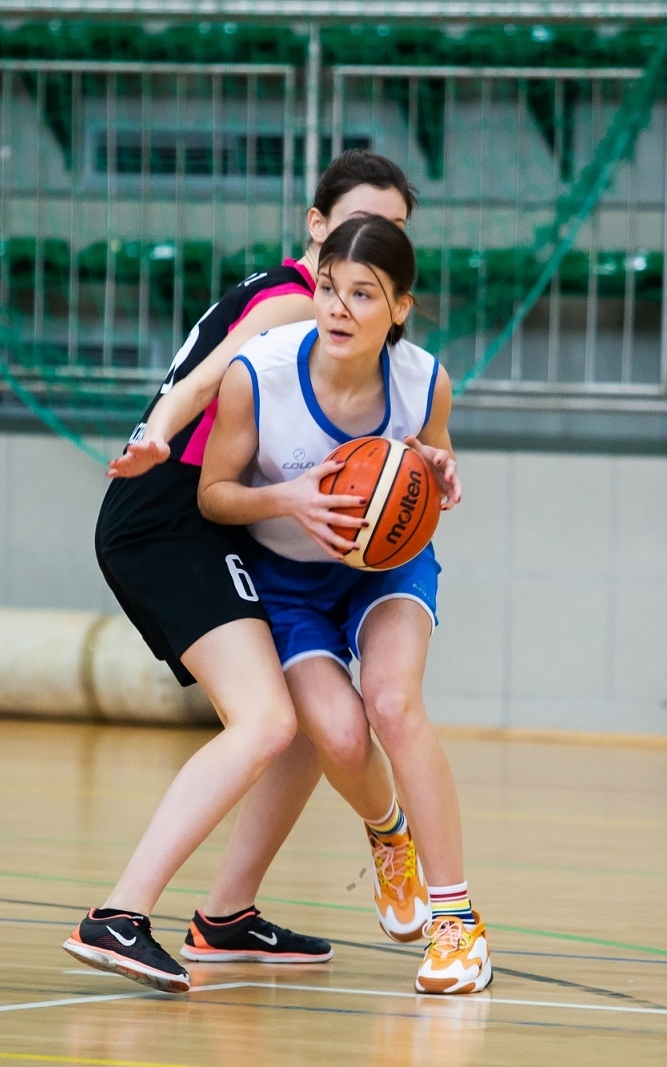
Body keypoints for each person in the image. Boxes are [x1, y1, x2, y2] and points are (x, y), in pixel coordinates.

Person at [65, 152, 430, 993]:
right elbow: (212, 371)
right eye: (359, 222)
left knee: (301, 714)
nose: (376, 238)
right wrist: (156, 433)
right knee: (265, 719)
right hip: (173, 515)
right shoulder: (300, 301)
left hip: (197, 512)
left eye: (396, 229)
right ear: (317, 226)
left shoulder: (304, 297)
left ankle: (226, 915)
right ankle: (118, 913)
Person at [197, 214, 491, 995]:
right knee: (338, 733)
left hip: (385, 565)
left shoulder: (423, 381)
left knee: (393, 703)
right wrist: (287, 497)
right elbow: (213, 493)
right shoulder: (258, 375)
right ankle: (389, 833)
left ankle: (458, 924)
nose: (338, 307)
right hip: (288, 579)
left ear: (400, 307)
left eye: (363, 293)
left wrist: (438, 469)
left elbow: (434, 458)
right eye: (329, 287)